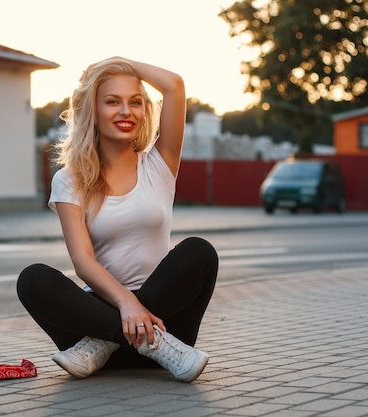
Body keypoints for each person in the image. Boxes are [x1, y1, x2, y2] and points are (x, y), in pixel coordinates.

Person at [17, 57, 218, 382]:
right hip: (106, 322)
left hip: (166, 322)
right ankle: (144, 342)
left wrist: (119, 62)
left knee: (199, 252)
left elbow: (174, 86)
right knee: (32, 280)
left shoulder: (159, 165)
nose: (126, 111)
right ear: (92, 111)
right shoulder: (70, 180)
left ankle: (102, 345)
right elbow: (83, 262)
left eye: (135, 102)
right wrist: (126, 304)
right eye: (112, 101)